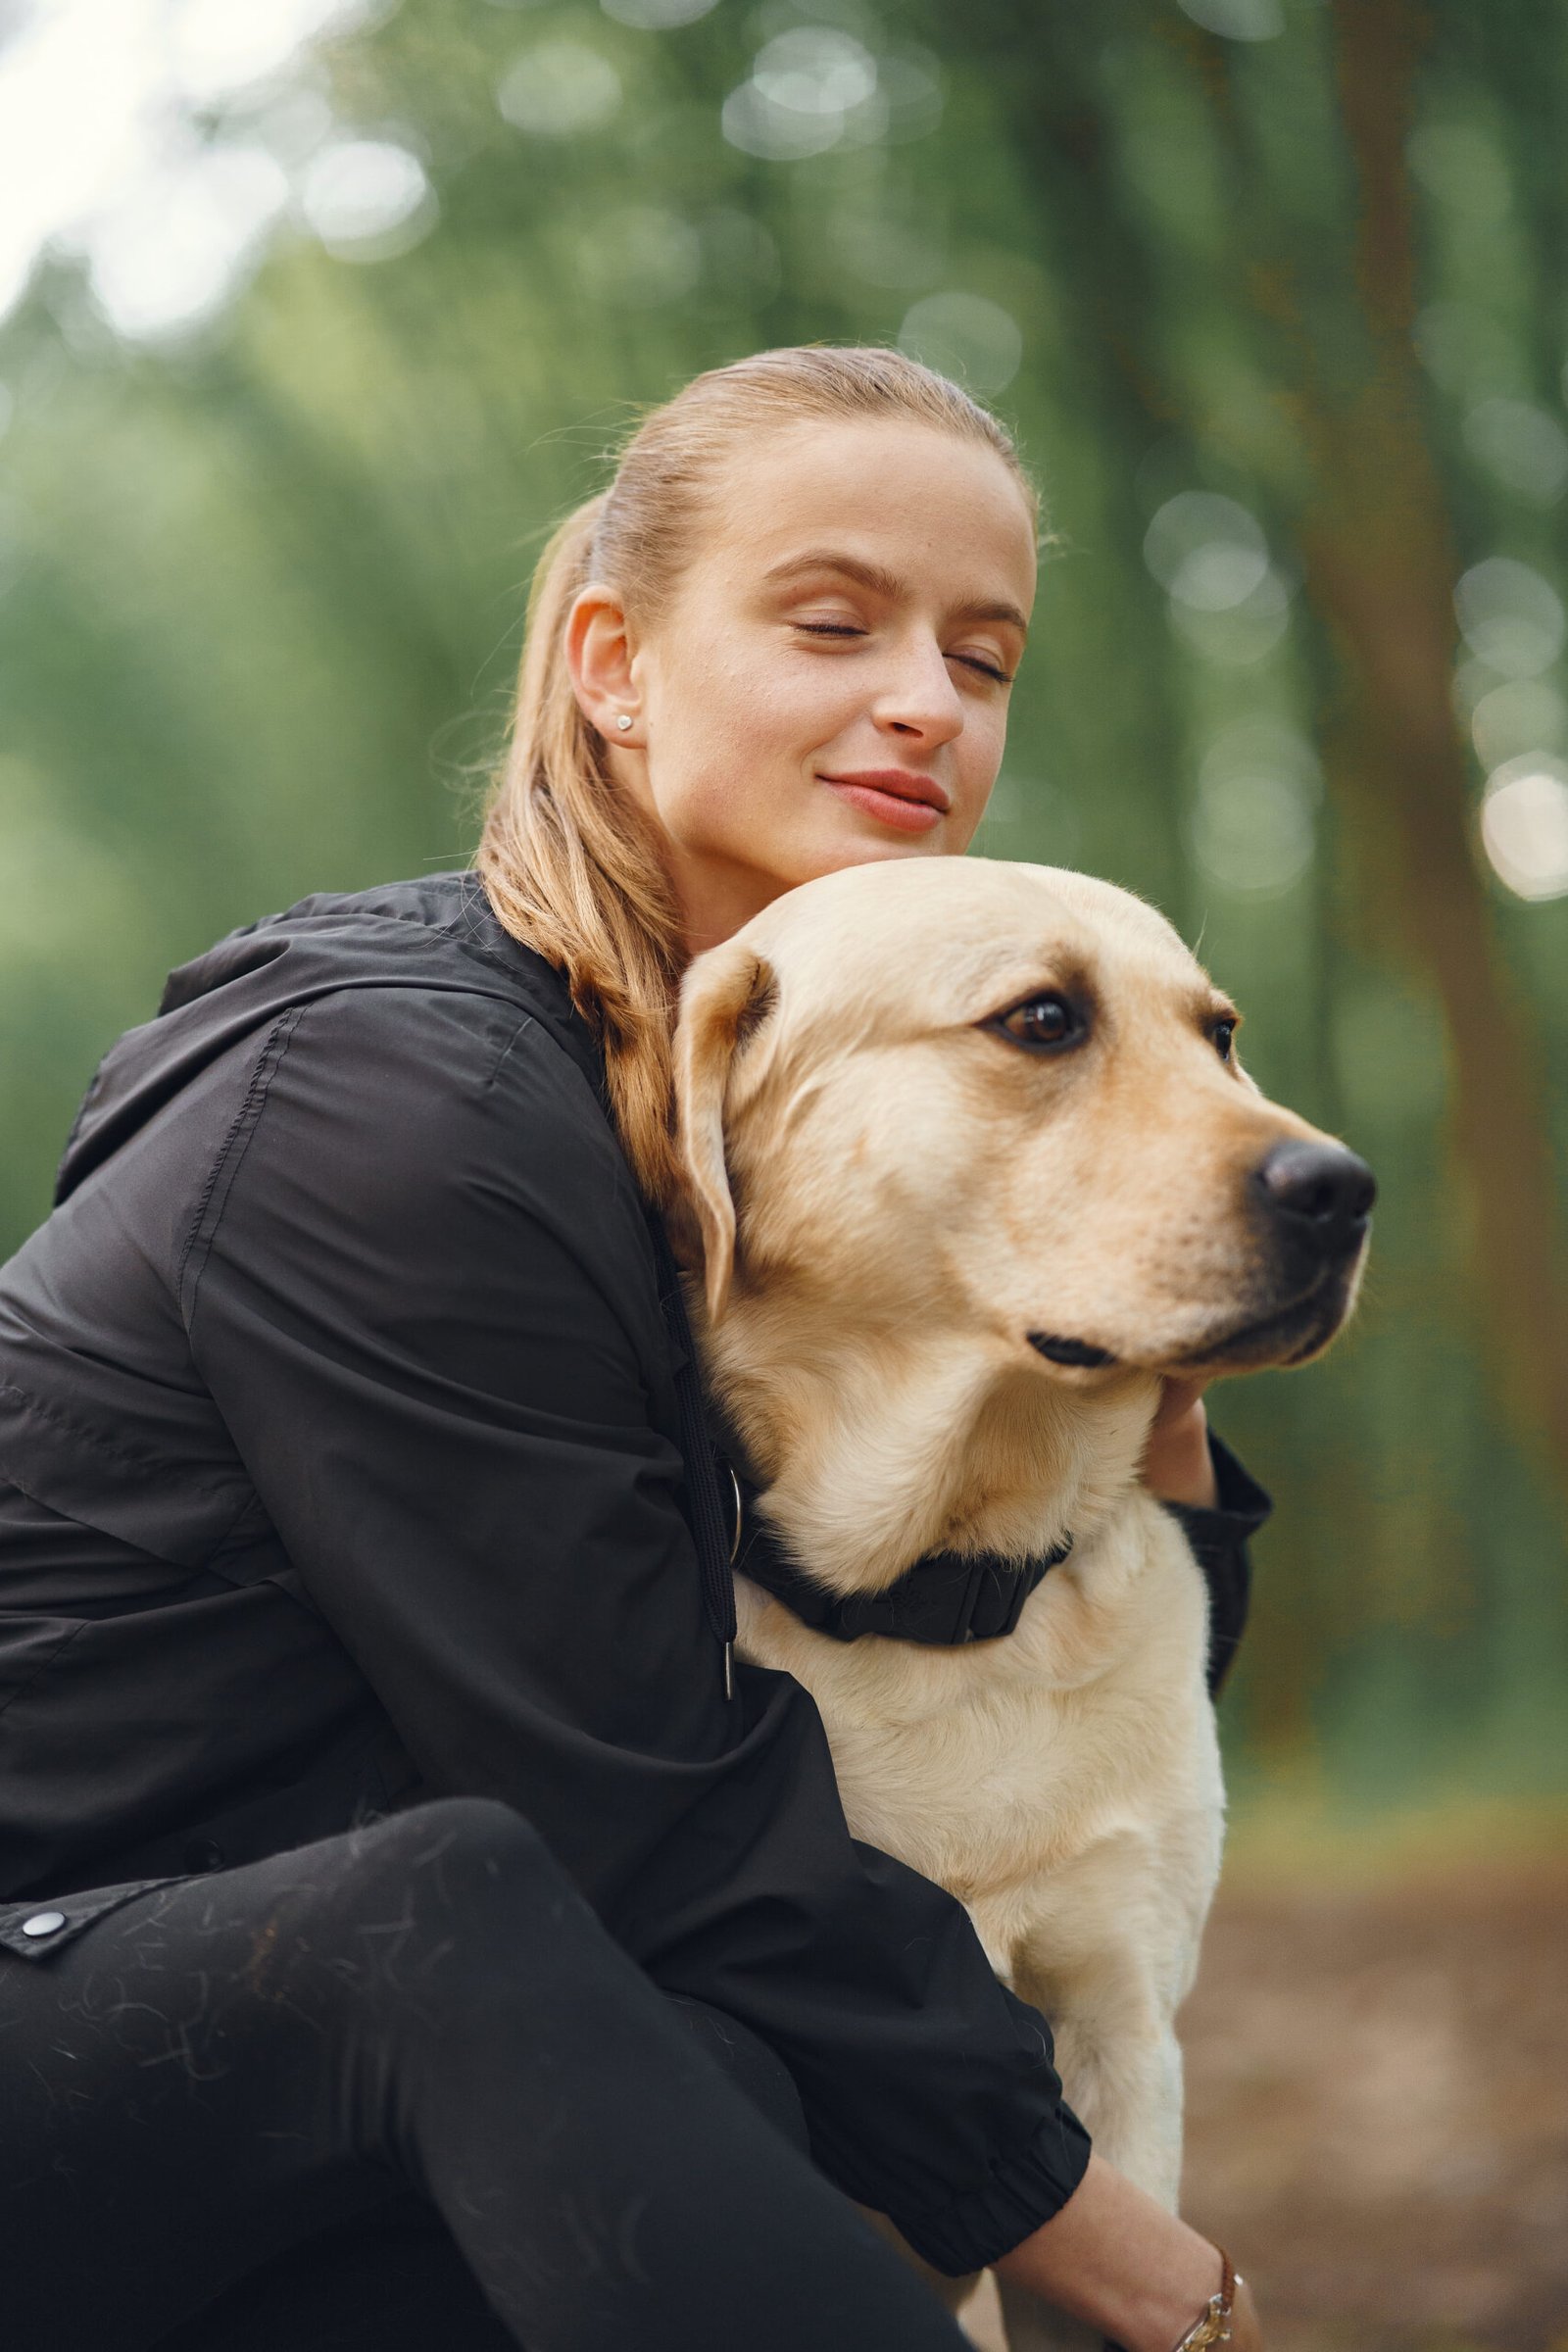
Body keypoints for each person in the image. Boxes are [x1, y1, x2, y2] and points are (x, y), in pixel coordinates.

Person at [0, 346, 1269, 2351]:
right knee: (469, 1928)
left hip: (303, 2011)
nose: (927, 704)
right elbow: (638, 1790)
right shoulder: (391, 1108)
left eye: (982, 656)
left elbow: (1013, 1634)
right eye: (833, 624)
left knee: (721, 2062)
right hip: (83, 1988)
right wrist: (1122, 2256)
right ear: (613, 663)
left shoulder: (798, 1124)